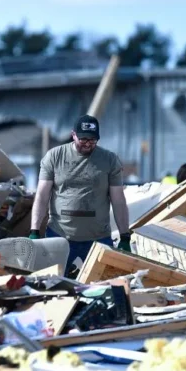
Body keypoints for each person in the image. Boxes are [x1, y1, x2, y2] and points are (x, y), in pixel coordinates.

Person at [29, 115, 131, 277]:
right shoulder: (55, 157)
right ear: (73, 134)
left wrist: (125, 235)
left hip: (99, 238)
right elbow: (42, 196)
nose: (88, 144)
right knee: (53, 284)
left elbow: (118, 200)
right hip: (60, 236)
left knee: (103, 284)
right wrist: (34, 230)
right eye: (83, 139)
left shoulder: (109, 160)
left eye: (92, 140)